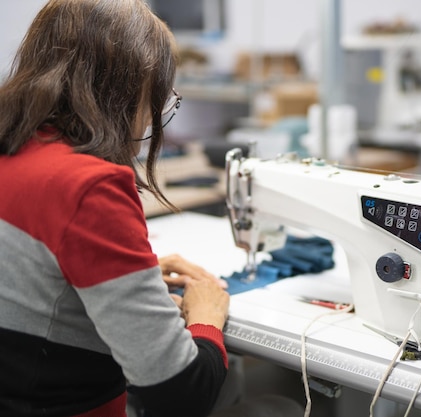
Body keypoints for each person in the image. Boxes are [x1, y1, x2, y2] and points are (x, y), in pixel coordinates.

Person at [0, 1, 302, 416]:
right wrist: (207, 314)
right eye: (156, 100)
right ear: (126, 92)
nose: (146, 125)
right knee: (275, 408)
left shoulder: (12, 153)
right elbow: (179, 395)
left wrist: (118, 276)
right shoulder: (89, 187)